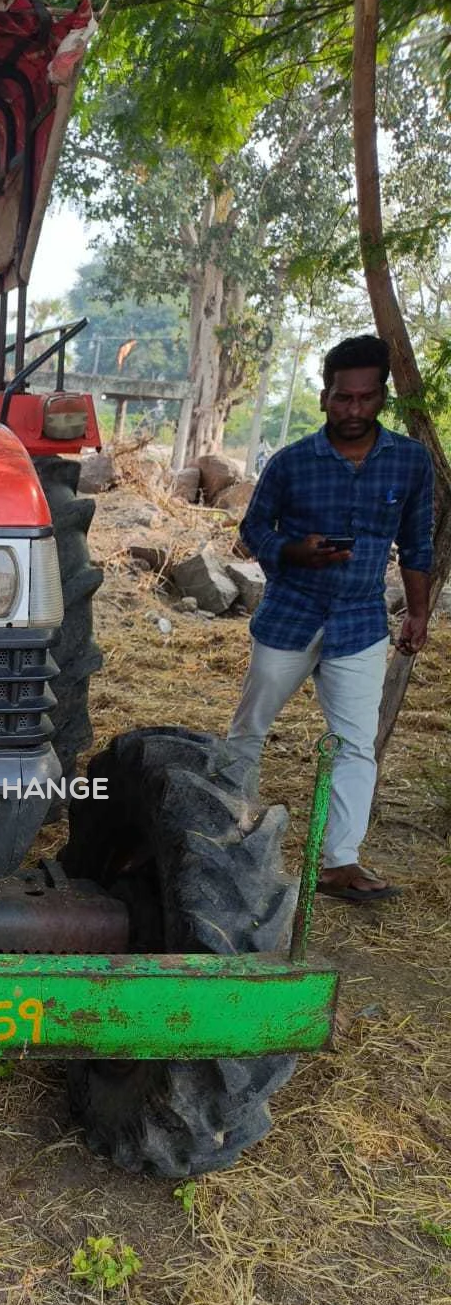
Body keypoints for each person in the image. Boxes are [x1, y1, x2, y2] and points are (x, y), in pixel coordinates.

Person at [226, 333, 433, 902]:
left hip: (362, 622)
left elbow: (417, 545)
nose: (354, 410)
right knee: (250, 727)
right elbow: (253, 530)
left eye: (366, 399)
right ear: (325, 397)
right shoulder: (293, 462)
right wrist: (294, 551)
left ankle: (339, 862)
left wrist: (417, 614)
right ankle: (231, 831)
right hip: (290, 615)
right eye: (344, 398)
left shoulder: (410, 462)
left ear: (382, 400)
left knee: (354, 743)